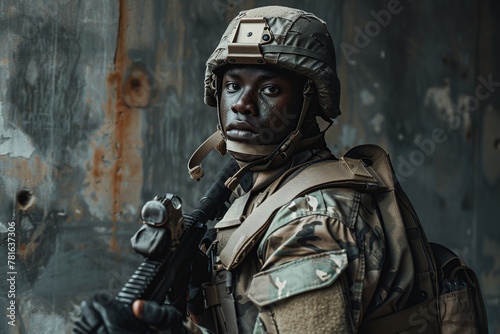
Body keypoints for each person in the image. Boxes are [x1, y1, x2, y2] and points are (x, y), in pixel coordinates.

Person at [73, 6, 425, 334]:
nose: (242, 104)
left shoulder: (317, 219)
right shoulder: (256, 193)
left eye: (270, 89)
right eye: (232, 85)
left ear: (310, 100)